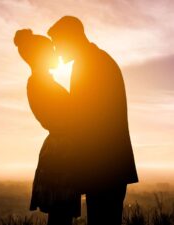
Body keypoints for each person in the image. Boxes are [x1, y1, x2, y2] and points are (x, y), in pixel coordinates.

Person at [47, 16, 139, 225]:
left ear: (70, 38)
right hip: (107, 167)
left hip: (104, 167)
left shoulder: (89, 65)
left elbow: (85, 120)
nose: (56, 51)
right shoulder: (94, 60)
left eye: (57, 44)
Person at [14, 29, 81, 225]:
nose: (55, 53)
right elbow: (58, 119)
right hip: (60, 154)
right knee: (61, 215)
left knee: (61, 215)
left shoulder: (42, 83)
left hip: (60, 152)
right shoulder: (39, 84)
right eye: (51, 50)